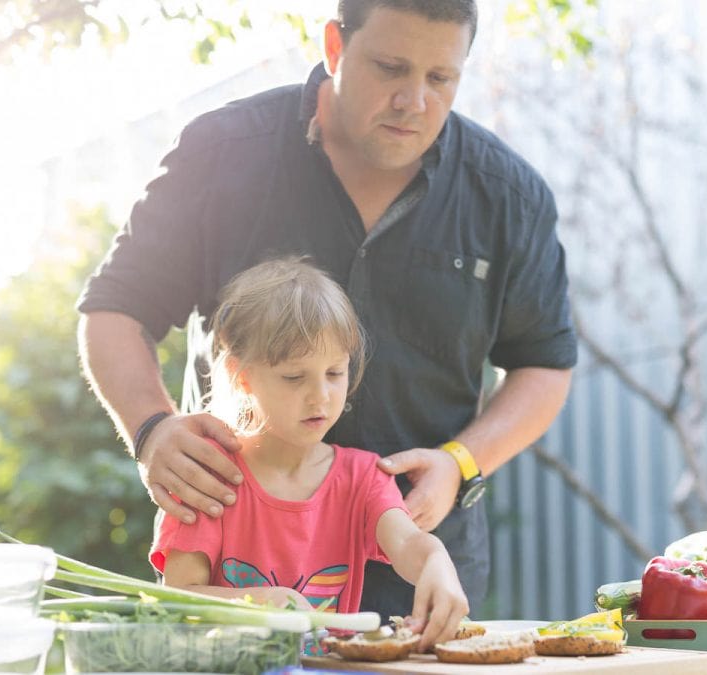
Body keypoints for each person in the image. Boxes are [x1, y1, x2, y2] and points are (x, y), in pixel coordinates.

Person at [77, 0, 576, 620]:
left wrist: (461, 463)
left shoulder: (508, 195)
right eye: (391, 68)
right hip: (233, 586)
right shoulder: (222, 152)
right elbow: (115, 308)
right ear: (335, 47)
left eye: (439, 78)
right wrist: (152, 430)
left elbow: (545, 367)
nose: (413, 100)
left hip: (418, 583)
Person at [150, 257, 468, 650]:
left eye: (335, 373)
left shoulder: (364, 478)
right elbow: (176, 600)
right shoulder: (205, 478)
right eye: (294, 377)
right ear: (242, 375)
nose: (321, 396)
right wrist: (256, 603)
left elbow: (407, 545)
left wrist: (437, 562)